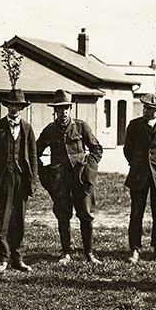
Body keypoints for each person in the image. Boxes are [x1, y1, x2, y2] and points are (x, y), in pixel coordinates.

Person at [36, 89, 103, 265]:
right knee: (63, 215)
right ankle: (66, 252)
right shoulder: (50, 130)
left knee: (86, 215)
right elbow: (35, 152)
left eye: (66, 108)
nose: (63, 112)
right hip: (60, 181)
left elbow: (96, 149)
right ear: (55, 111)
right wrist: (47, 173)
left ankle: (89, 253)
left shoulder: (81, 127)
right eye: (59, 109)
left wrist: (89, 169)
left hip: (82, 179)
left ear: (70, 109)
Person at [0, 89, 38, 273]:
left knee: (19, 219)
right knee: (4, 219)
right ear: (7, 106)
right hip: (3, 179)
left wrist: (33, 180)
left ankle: (18, 258)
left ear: (22, 108)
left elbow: (34, 156)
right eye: (12, 105)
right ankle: (4, 258)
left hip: (21, 179)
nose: (15, 109)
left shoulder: (27, 129)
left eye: (18, 106)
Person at [124, 93, 156, 264]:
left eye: (149, 108)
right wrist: (138, 165)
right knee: (136, 213)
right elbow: (128, 150)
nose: (145, 110)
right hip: (139, 176)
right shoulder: (134, 125)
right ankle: (134, 250)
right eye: (144, 107)